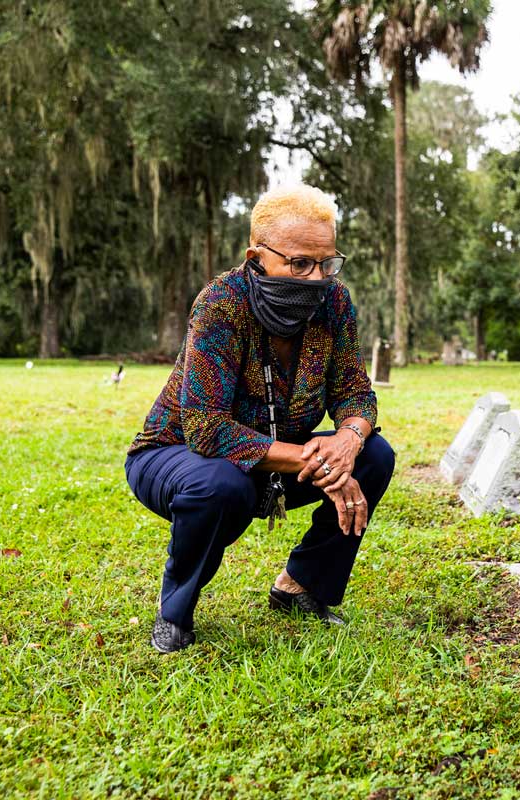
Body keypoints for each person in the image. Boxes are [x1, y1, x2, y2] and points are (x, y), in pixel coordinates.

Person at [125, 185, 394, 653]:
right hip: (177, 455)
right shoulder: (221, 303)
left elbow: (355, 392)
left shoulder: (334, 304)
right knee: (220, 484)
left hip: (274, 460)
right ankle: (175, 612)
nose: (314, 278)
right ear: (257, 257)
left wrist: (348, 440)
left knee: (374, 454)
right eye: (299, 264)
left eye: (326, 263)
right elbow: (205, 428)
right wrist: (319, 462)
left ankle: (301, 586)